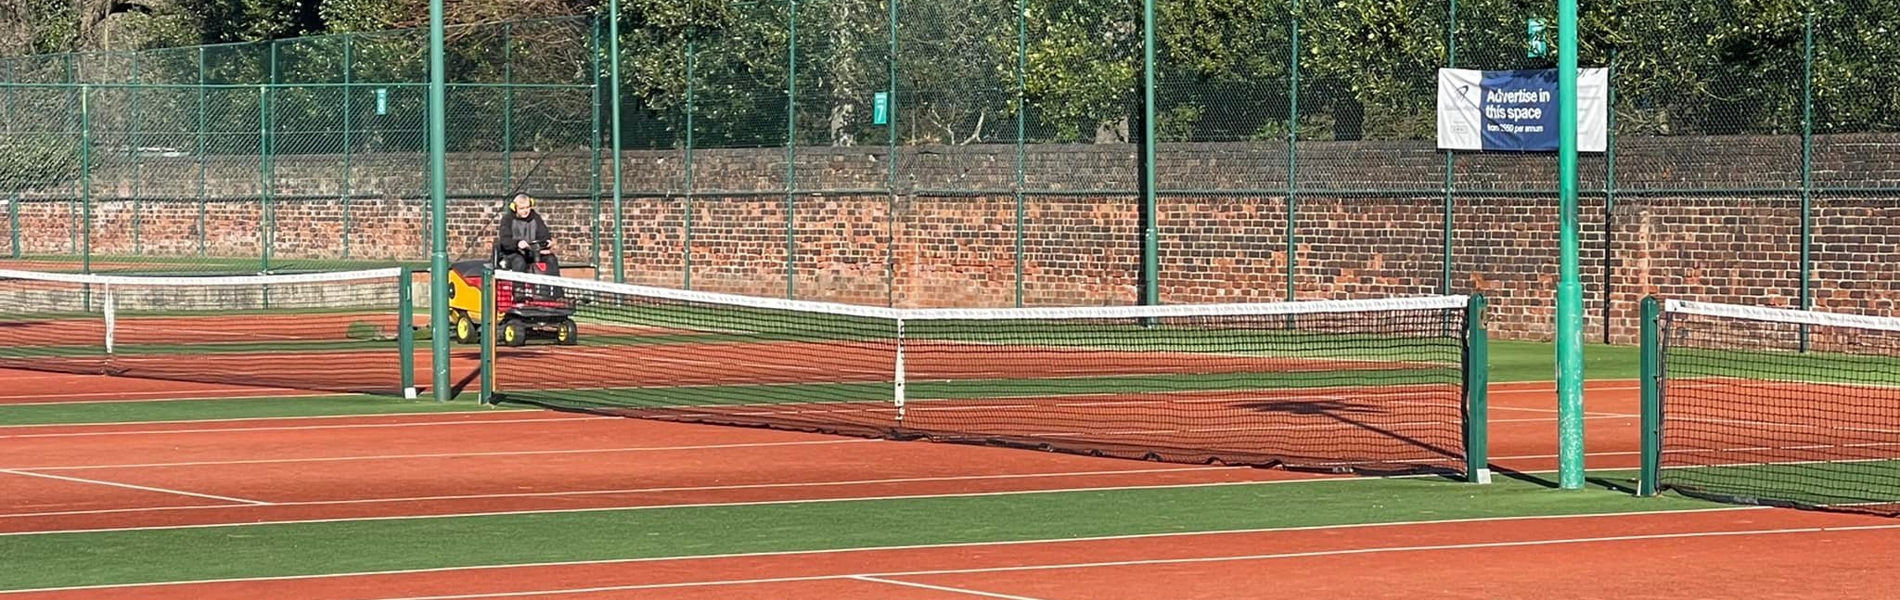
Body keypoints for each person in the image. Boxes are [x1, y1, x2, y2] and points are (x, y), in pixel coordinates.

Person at [496, 193, 560, 278]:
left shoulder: (535, 218)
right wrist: (517, 244)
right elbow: (505, 240)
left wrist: (547, 242)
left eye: (527, 207)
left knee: (551, 259)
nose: (525, 211)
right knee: (519, 262)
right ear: (514, 208)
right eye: (521, 208)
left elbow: (544, 235)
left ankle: (556, 289)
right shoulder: (507, 220)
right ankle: (518, 288)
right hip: (513, 253)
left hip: (533, 253)